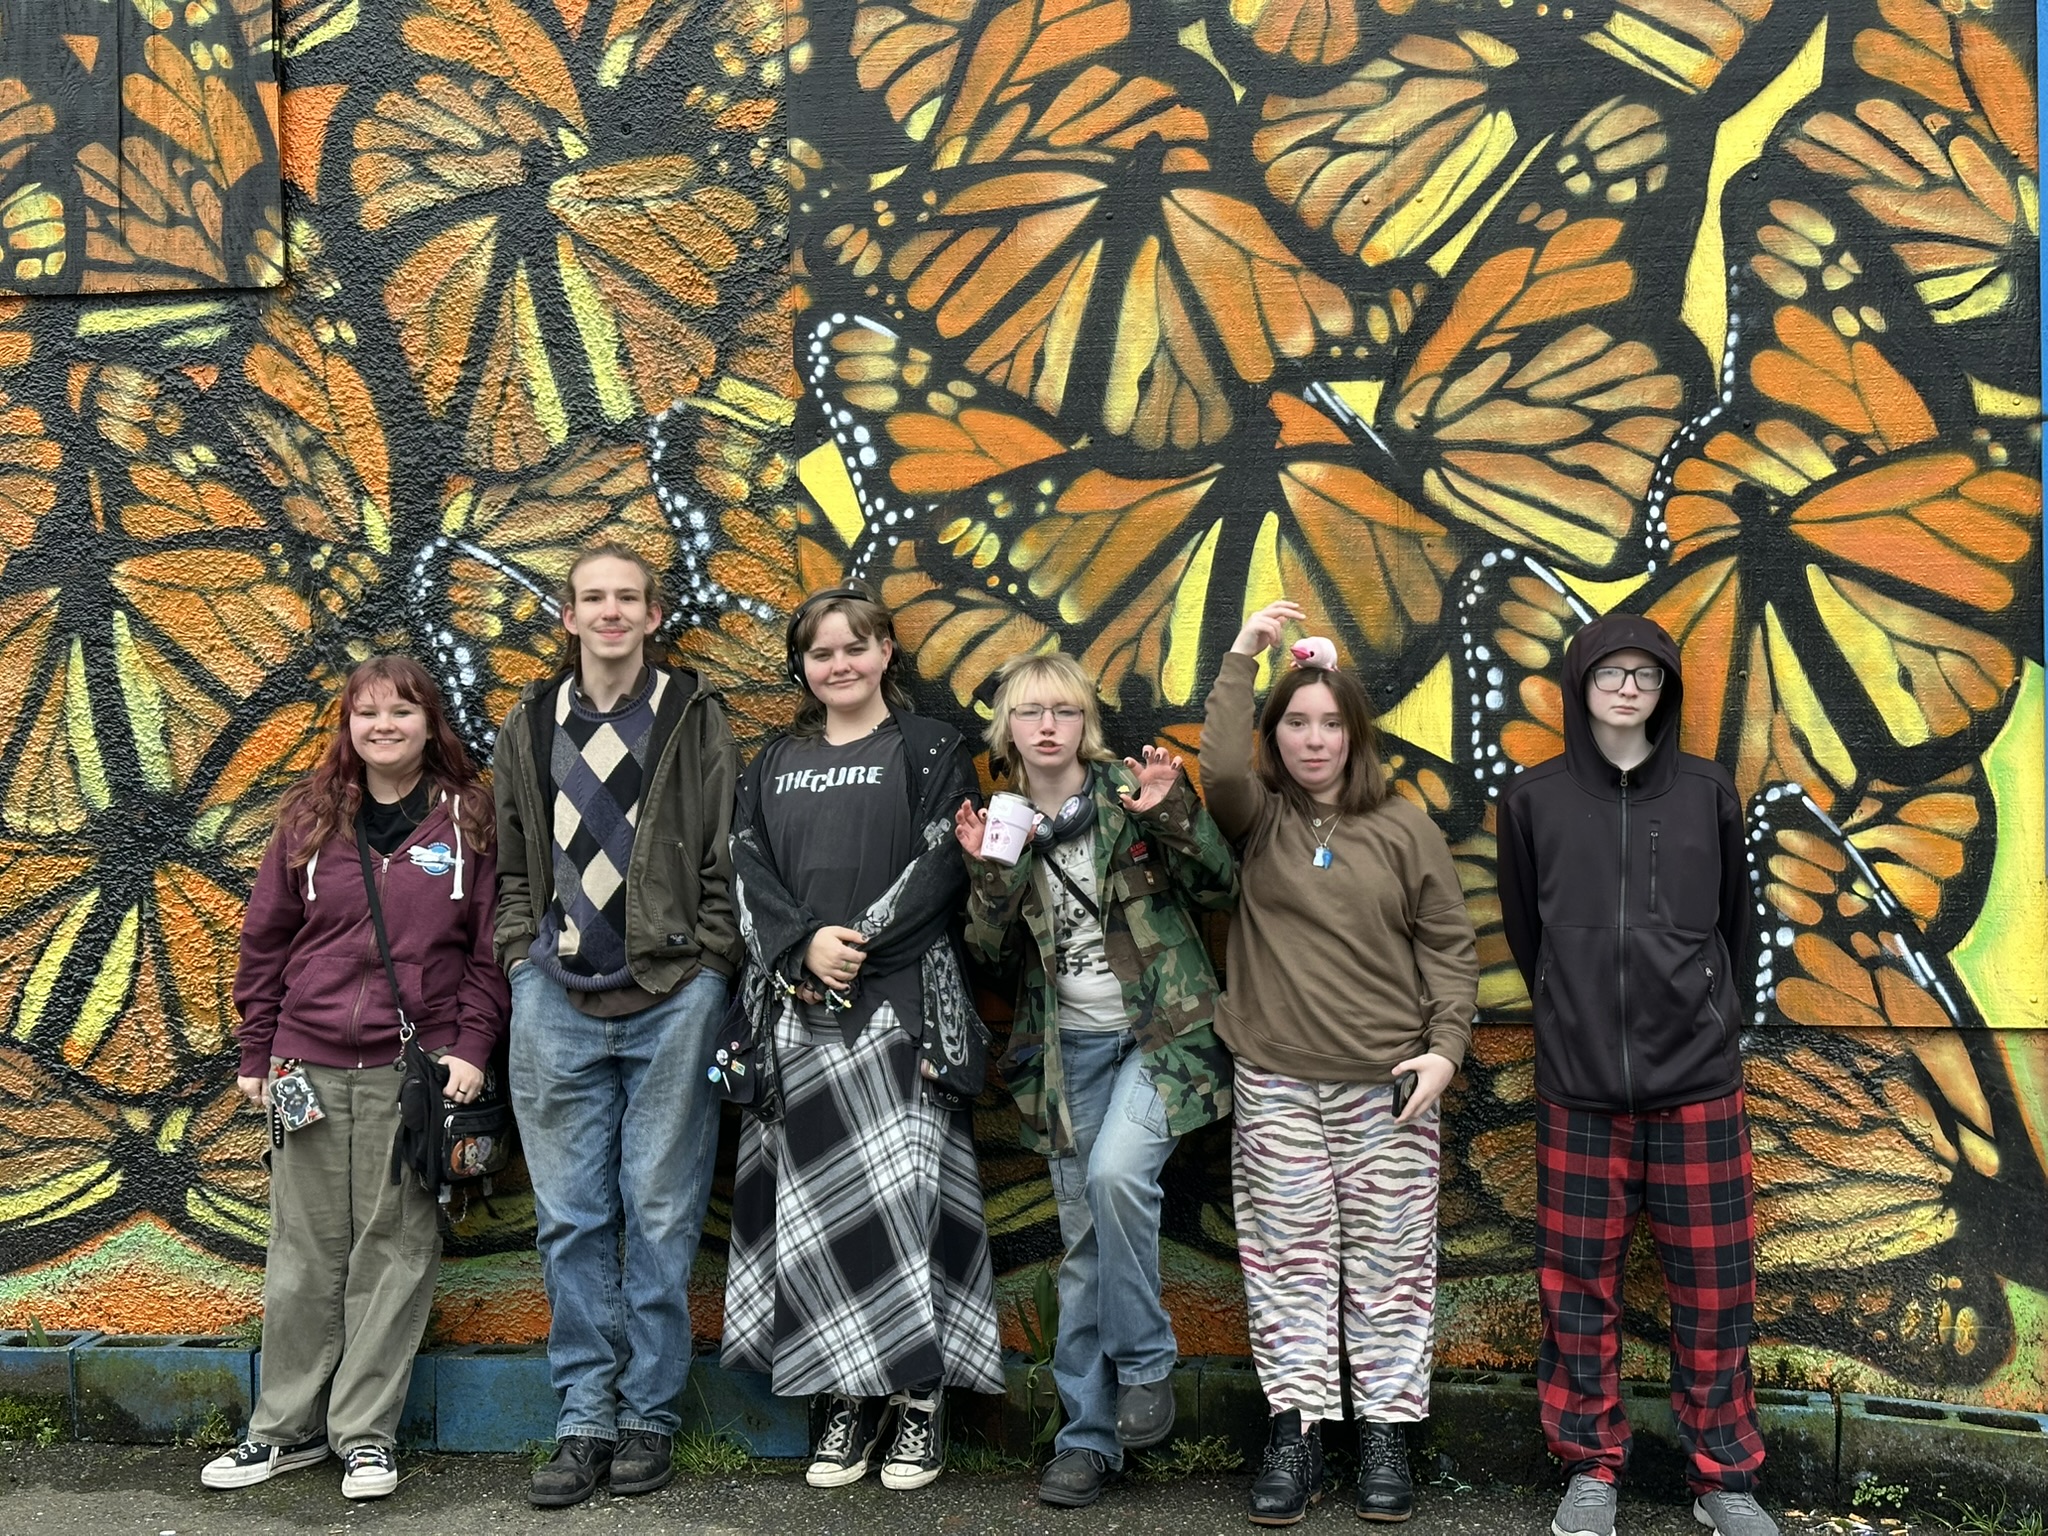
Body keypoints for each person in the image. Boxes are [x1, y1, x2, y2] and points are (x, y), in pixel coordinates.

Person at [203, 656, 508, 1501]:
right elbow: (265, 942)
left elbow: (488, 954)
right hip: (307, 1064)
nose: (384, 727)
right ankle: (283, 1431)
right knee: (303, 1253)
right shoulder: (309, 818)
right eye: (367, 714)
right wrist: (257, 1051)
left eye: (402, 713)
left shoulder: (468, 821)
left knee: (397, 1250)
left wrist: (473, 1049)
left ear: (429, 724)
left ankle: (365, 1435)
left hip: (413, 1075)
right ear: (348, 726)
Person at [1200, 600, 1478, 1527]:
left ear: (1355, 737)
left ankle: (1387, 1436)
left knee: (1392, 1265)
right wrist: (1245, 656)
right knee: (1289, 1264)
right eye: (1297, 723)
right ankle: (1299, 1429)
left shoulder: (1403, 828)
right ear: (1277, 736)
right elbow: (1221, 765)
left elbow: (1449, 949)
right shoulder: (1257, 819)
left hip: (1391, 1087)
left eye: (1330, 724)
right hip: (1276, 1078)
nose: (1314, 739)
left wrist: (1444, 1054)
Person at [722, 584, 1004, 1493]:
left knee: (902, 1208)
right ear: (801, 666)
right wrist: (805, 943)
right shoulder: (773, 759)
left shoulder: (928, 748)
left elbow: (943, 861)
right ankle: (845, 1398)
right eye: (820, 653)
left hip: (901, 1017)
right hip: (797, 1018)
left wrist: (860, 939)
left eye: (855, 648)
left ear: (887, 653)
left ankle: (918, 1401)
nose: (838, 665)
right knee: (816, 1223)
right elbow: (746, 867)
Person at [1495, 616, 1773, 1536]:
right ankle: (1589, 1470)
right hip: (1578, 1088)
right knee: (1575, 1287)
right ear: (1581, 684)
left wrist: (1710, 1018)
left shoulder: (1705, 793)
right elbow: (1527, 933)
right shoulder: (1532, 800)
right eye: (1610, 673)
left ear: (1666, 692)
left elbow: (1735, 926)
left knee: (1717, 1286)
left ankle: (1723, 1479)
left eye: (1645, 677)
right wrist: (1566, 1014)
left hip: (1697, 1081)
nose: (1626, 689)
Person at [956, 652, 1238, 1509]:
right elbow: (989, 956)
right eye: (1032, 713)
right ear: (1007, 730)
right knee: (1080, 1249)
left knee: (1117, 1175)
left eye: (1066, 713)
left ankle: (1148, 1362)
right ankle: (1087, 1440)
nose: (1049, 727)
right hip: (1064, 1050)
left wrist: (1177, 814)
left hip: (1163, 1038)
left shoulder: (1132, 792)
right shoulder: (1003, 821)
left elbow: (1221, 884)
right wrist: (991, 876)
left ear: (1087, 725)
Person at [494, 542, 740, 1508]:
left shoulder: (692, 714)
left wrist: (711, 962)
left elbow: (726, 845)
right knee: (570, 1220)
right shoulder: (531, 721)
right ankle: (583, 1420)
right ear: (568, 617)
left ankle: (647, 1418)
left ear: (650, 615)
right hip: (555, 998)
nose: (609, 613)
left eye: (626, 598)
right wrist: (522, 958)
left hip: (673, 994)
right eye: (592, 598)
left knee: (664, 1209)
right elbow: (514, 862)